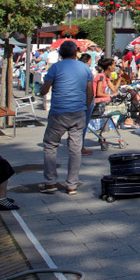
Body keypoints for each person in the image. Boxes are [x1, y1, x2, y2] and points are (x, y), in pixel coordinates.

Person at [40, 40, 94, 195]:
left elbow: (44, 90)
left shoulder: (55, 67)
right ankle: (72, 184)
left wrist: (44, 89)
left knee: (50, 145)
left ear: (60, 53)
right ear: (76, 52)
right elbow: (89, 92)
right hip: (78, 113)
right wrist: (84, 107)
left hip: (59, 112)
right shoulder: (85, 68)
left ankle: (50, 183)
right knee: (75, 149)